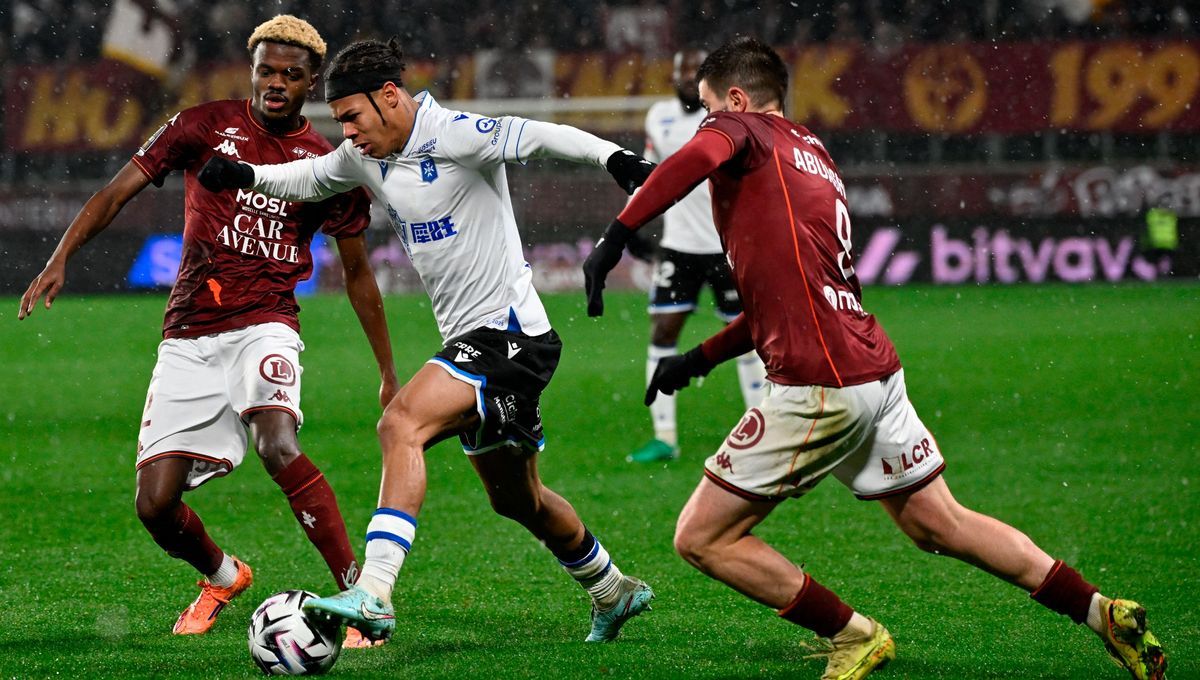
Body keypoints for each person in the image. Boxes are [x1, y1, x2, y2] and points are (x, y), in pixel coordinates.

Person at [582, 37, 1166, 680]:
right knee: (938, 522)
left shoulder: (739, 131)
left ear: (740, 100)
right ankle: (1101, 611)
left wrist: (618, 234)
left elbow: (696, 155)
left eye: (708, 106)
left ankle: (853, 634)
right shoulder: (814, 158)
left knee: (701, 538)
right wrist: (699, 357)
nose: (705, 120)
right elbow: (796, 297)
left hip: (821, 385)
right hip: (873, 371)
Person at [196, 37, 657, 644]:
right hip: (477, 340)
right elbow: (311, 177)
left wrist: (616, 160)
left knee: (400, 424)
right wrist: (245, 174)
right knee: (518, 500)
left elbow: (541, 135)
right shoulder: (365, 156)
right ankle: (611, 588)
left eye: (353, 117)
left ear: (391, 97)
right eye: (340, 123)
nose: (349, 133)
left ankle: (375, 592)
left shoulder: (457, 133)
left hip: (511, 333)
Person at [17, 15, 398, 649]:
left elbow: (359, 276)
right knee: (154, 506)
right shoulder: (201, 125)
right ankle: (223, 575)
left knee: (278, 444)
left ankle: (360, 595)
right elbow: (118, 192)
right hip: (189, 331)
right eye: (266, 71)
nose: (275, 84)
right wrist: (62, 256)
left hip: (267, 324)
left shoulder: (328, 163)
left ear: (310, 85)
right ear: (252, 70)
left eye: (291, 75)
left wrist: (387, 370)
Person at [629, 48, 766, 464]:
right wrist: (633, 218)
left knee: (747, 339)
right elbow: (653, 173)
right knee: (662, 331)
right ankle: (665, 437)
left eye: (696, 73)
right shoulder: (659, 117)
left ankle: (761, 428)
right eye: (682, 71)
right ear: (672, 76)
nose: (689, 79)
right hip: (680, 245)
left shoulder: (729, 119)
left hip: (728, 245)